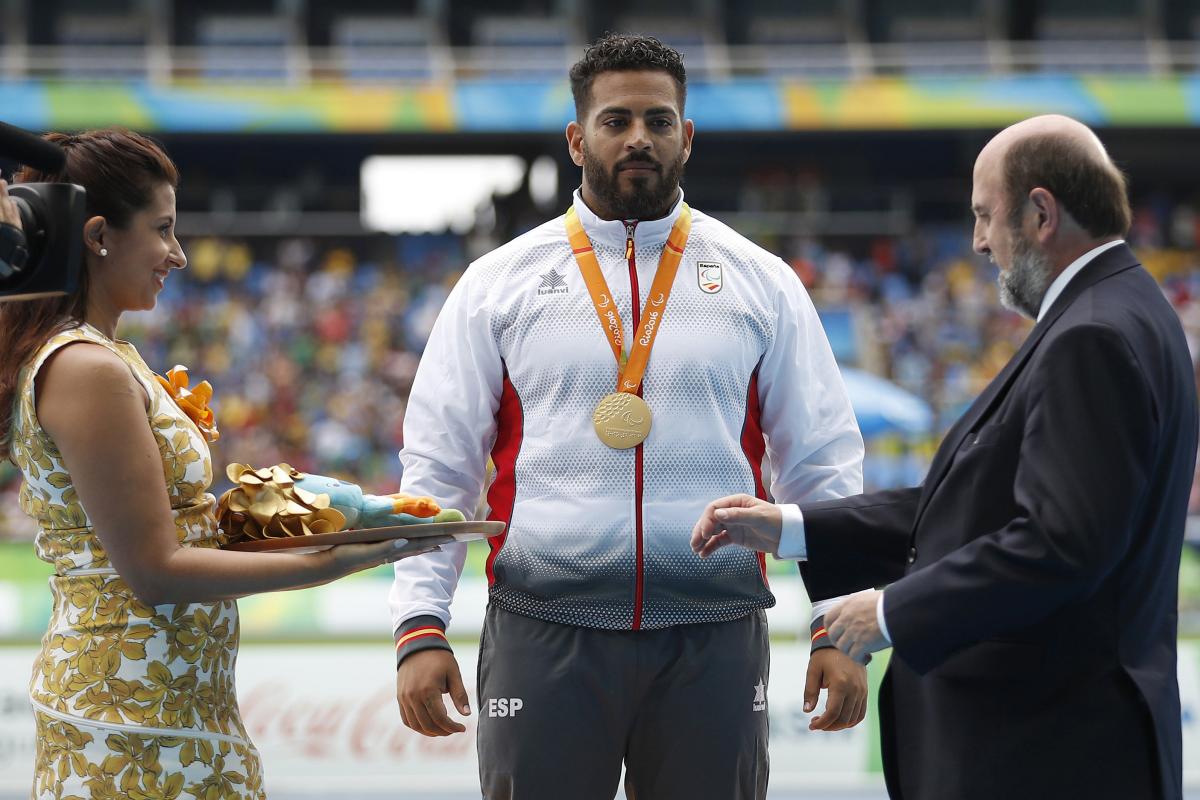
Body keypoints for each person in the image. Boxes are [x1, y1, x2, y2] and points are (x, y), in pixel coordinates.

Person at [388, 34, 867, 800]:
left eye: (658, 119)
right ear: (578, 139)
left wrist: (838, 624)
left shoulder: (762, 282)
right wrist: (420, 625)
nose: (639, 137)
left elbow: (822, 465)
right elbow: (439, 469)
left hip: (712, 633)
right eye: (616, 121)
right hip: (543, 628)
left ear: (687, 135)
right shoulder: (497, 285)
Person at [692, 115, 1197, 800]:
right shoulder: (1121, 310)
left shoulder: (1092, 335)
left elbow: (1061, 543)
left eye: (986, 216)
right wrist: (793, 525)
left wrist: (890, 613)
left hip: (1051, 748)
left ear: (1042, 212)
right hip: (1068, 738)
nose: (979, 241)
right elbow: (979, 505)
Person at [0, 129, 438, 800]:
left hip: (156, 701)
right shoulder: (86, 367)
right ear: (97, 237)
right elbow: (155, 570)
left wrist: (318, 521)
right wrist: (335, 562)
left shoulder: (99, 355)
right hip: (130, 715)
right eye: (164, 229)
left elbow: (171, 534)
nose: (177, 254)